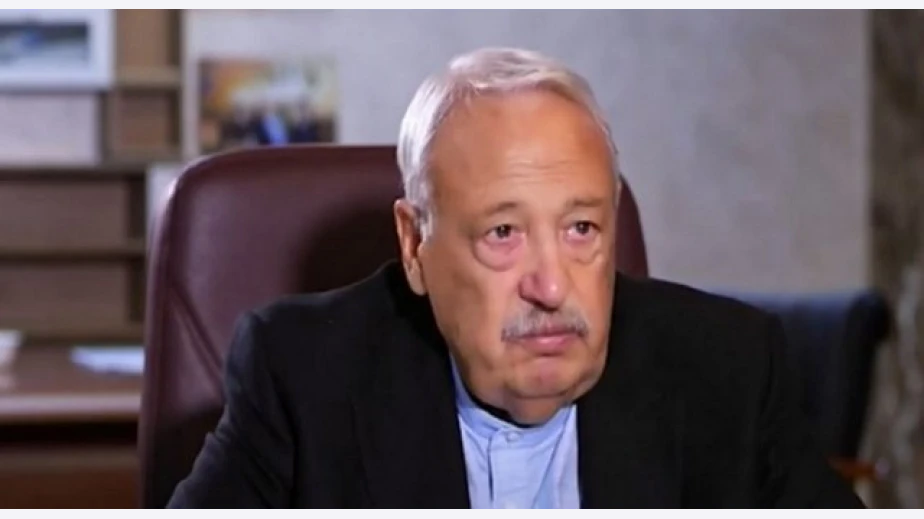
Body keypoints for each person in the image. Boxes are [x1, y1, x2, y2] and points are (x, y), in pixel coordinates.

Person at [167, 47, 865, 509]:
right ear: (415, 246)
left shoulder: (728, 368)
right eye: (503, 233)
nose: (552, 287)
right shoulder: (302, 376)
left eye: (581, 229)